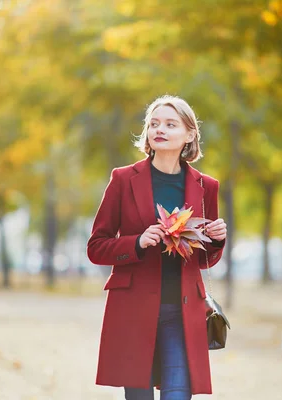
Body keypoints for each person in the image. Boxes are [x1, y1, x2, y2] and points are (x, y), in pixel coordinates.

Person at [87, 95, 227, 400]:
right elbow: (96, 247)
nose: (159, 129)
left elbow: (203, 260)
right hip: (133, 310)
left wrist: (216, 238)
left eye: (169, 124)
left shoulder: (207, 187)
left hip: (184, 311)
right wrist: (137, 242)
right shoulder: (123, 179)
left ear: (190, 135)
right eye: (153, 123)